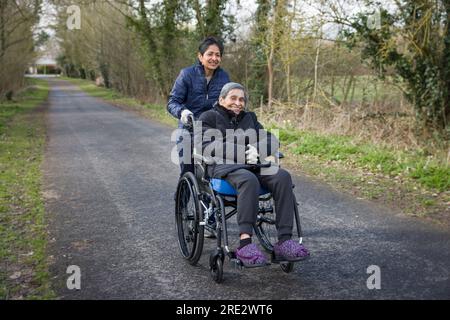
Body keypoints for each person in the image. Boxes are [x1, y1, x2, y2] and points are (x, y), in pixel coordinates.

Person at [198, 82, 310, 267]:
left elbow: (271, 139)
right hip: (224, 167)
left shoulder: (250, 118)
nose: (238, 103)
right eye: (233, 98)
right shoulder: (208, 117)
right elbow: (207, 145)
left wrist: (255, 150)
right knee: (248, 180)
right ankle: (245, 245)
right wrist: (242, 152)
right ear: (221, 99)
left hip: (253, 163)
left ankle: (284, 242)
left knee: (283, 176)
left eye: (241, 99)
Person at [167, 36, 230, 176]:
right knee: (188, 171)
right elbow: (172, 102)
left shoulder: (224, 77)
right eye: (210, 54)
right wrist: (182, 112)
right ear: (200, 56)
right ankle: (182, 195)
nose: (214, 58)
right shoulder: (187, 75)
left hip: (213, 130)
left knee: (219, 169)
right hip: (189, 130)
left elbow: (228, 103)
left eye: (218, 55)